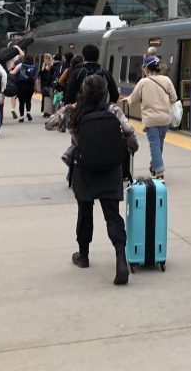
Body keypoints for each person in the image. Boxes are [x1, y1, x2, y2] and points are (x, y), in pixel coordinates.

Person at [68, 74, 130, 286]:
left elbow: (50, 124)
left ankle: (83, 255)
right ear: (105, 92)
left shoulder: (75, 112)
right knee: (112, 216)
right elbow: (130, 134)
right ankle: (121, 257)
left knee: (84, 212)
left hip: (84, 171)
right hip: (111, 170)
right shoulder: (113, 111)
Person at [125, 55, 177, 181]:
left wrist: (127, 99)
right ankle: (154, 167)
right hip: (165, 119)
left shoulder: (143, 82)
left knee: (154, 145)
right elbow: (174, 98)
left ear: (147, 68)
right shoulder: (166, 80)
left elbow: (133, 99)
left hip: (151, 120)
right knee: (159, 144)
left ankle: (160, 173)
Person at [14, 56, 36, 121]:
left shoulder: (21, 65)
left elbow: (13, 73)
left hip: (21, 85)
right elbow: (35, 77)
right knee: (28, 100)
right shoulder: (34, 66)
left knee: (21, 102)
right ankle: (28, 112)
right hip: (30, 85)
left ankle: (21, 117)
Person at [38, 53, 55, 117]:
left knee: (49, 97)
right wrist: (42, 69)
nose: (45, 60)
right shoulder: (43, 65)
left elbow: (52, 75)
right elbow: (40, 75)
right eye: (45, 58)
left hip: (49, 83)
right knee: (44, 97)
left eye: (46, 58)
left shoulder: (52, 66)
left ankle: (48, 111)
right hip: (43, 83)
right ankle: (43, 110)